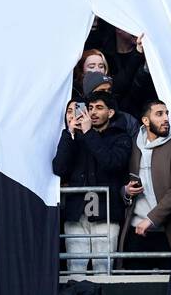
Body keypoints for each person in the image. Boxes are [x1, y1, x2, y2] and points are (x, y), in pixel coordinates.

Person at [52, 92, 131, 275]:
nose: (92, 112)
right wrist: (70, 133)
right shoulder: (75, 138)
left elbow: (111, 162)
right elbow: (59, 169)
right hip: (76, 212)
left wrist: (88, 134)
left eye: (99, 107)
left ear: (110, 113)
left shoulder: (121, 137)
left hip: (106, 213)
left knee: (104, 269)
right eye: (90, 108)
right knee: (75, 269)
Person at [118, 100, 171, 271]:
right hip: (136, 230)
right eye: (159, 114)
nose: (166, 118)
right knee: (134, 284)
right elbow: (119, 178)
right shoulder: (134, 145)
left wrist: (152, 219)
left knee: (170, 285)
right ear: (145, 121)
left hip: (167, 231)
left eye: (167, 113)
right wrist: (126, 191)